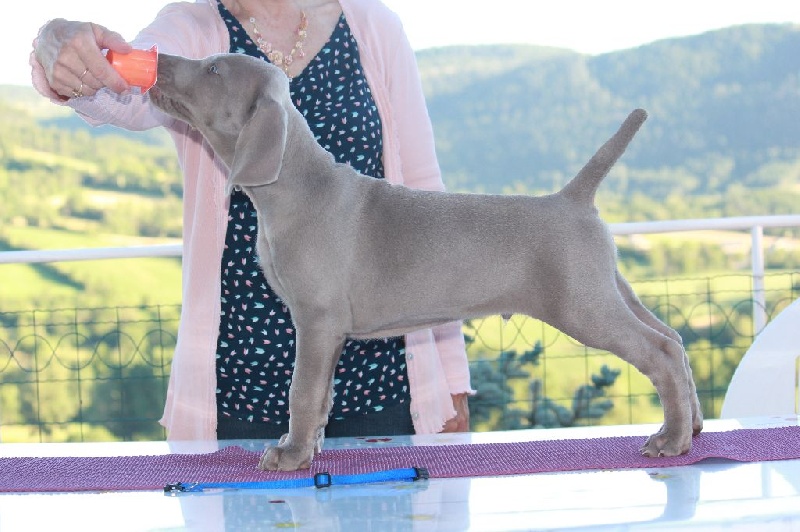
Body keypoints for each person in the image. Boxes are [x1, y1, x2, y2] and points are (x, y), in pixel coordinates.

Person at [31, 0, 474, 441]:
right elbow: (124, 95)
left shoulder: (373, 27)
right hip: (242, 396)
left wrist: (451, 374)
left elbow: (425, 201)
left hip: (383, 385)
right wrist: (60, 45)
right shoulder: (192, 28)